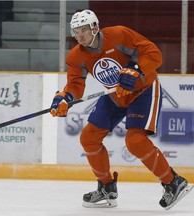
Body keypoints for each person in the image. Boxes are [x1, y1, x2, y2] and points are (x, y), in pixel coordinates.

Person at [50, 9, 192, 209]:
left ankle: (173, 182)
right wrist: (65, 97)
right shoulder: (75, 57)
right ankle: (106, 187)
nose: (79, 35)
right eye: (75, 31)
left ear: (95, 27)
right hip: (114, 96)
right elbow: (75, 86)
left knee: (135, 141)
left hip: (143, 91)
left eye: (83, 30)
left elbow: (154, 54)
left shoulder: (118, 35)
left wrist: (136, 68)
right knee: (88, 138)